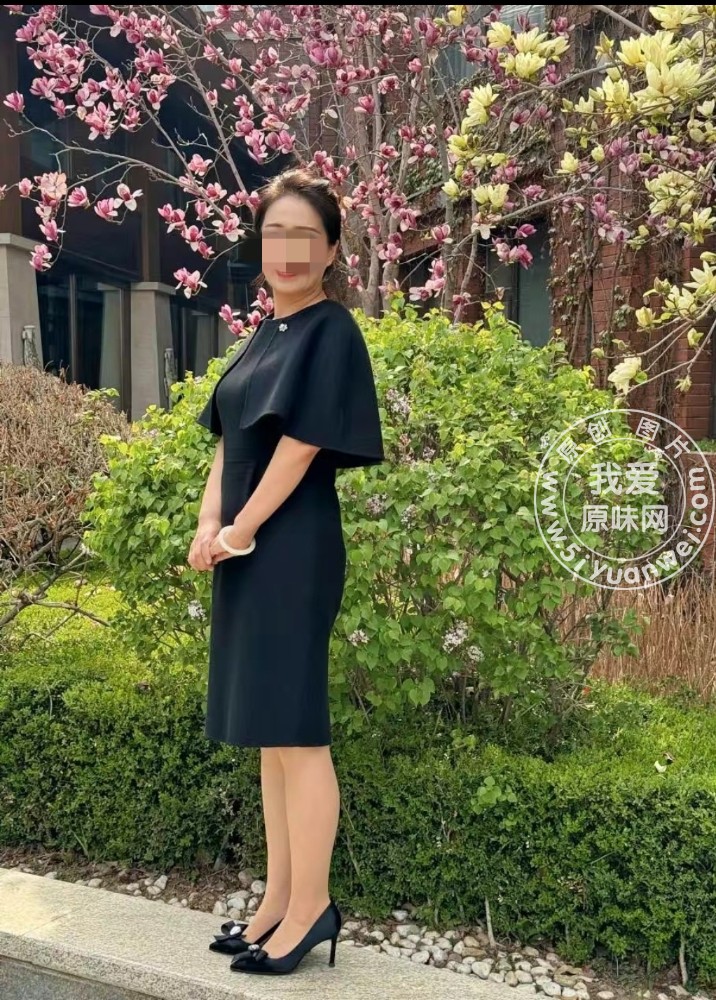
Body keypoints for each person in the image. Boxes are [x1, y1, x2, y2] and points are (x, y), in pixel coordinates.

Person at [188, 167, 385, 976]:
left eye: (306, 235)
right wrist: (209, 524)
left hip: (292, 547)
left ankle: (312, 909)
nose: (290, 250)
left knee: (297, 734)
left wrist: (242, 528)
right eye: (276, 234)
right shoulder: (260, 334)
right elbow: (230, 443)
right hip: (246, 546)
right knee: (271, 735)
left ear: (331, 249)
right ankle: (277, 901)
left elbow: (301, 445)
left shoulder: (330, 330)